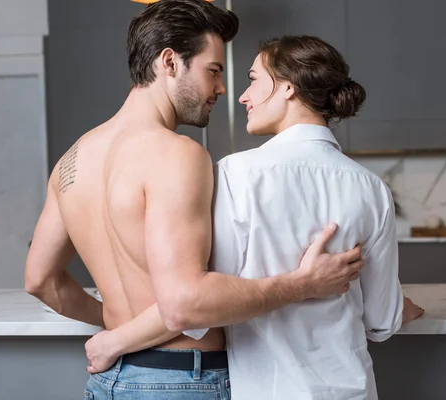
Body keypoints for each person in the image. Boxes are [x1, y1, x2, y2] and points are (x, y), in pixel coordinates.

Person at [23, 2, 365, 399]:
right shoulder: (177, 154)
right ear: (169, 62)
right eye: (214, 71)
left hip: (110, 381)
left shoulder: (73, 159)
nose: (221, 88)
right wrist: (301, 284)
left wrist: (119, 329)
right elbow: (186, 304)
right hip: (182, 381)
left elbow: (40, 281)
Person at [83, 33, 425, 400]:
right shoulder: (371, 188)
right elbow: (382, 321)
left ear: (288, 87)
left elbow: (200, 306)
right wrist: (403, 308)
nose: (243, 95)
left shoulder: (235, 176)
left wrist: (115, 341)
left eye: (253, 79)